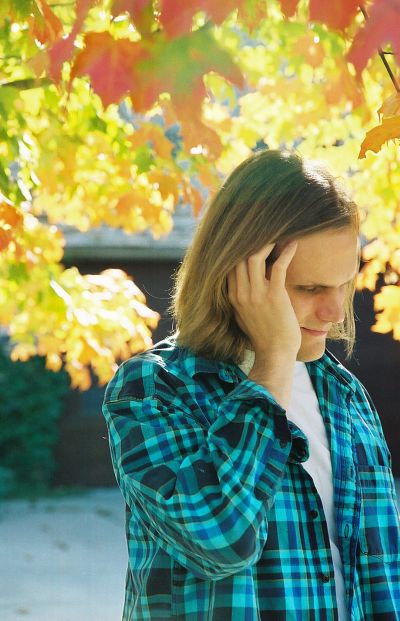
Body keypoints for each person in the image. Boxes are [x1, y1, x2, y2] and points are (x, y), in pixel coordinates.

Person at [102, 149, 400, 621]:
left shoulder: (344, 397)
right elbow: (221, 540)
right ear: (238, 276)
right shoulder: (153, 389)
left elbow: (384, 577)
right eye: (308, 289)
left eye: (343, 284)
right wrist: (273, 361)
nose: (335, 312)